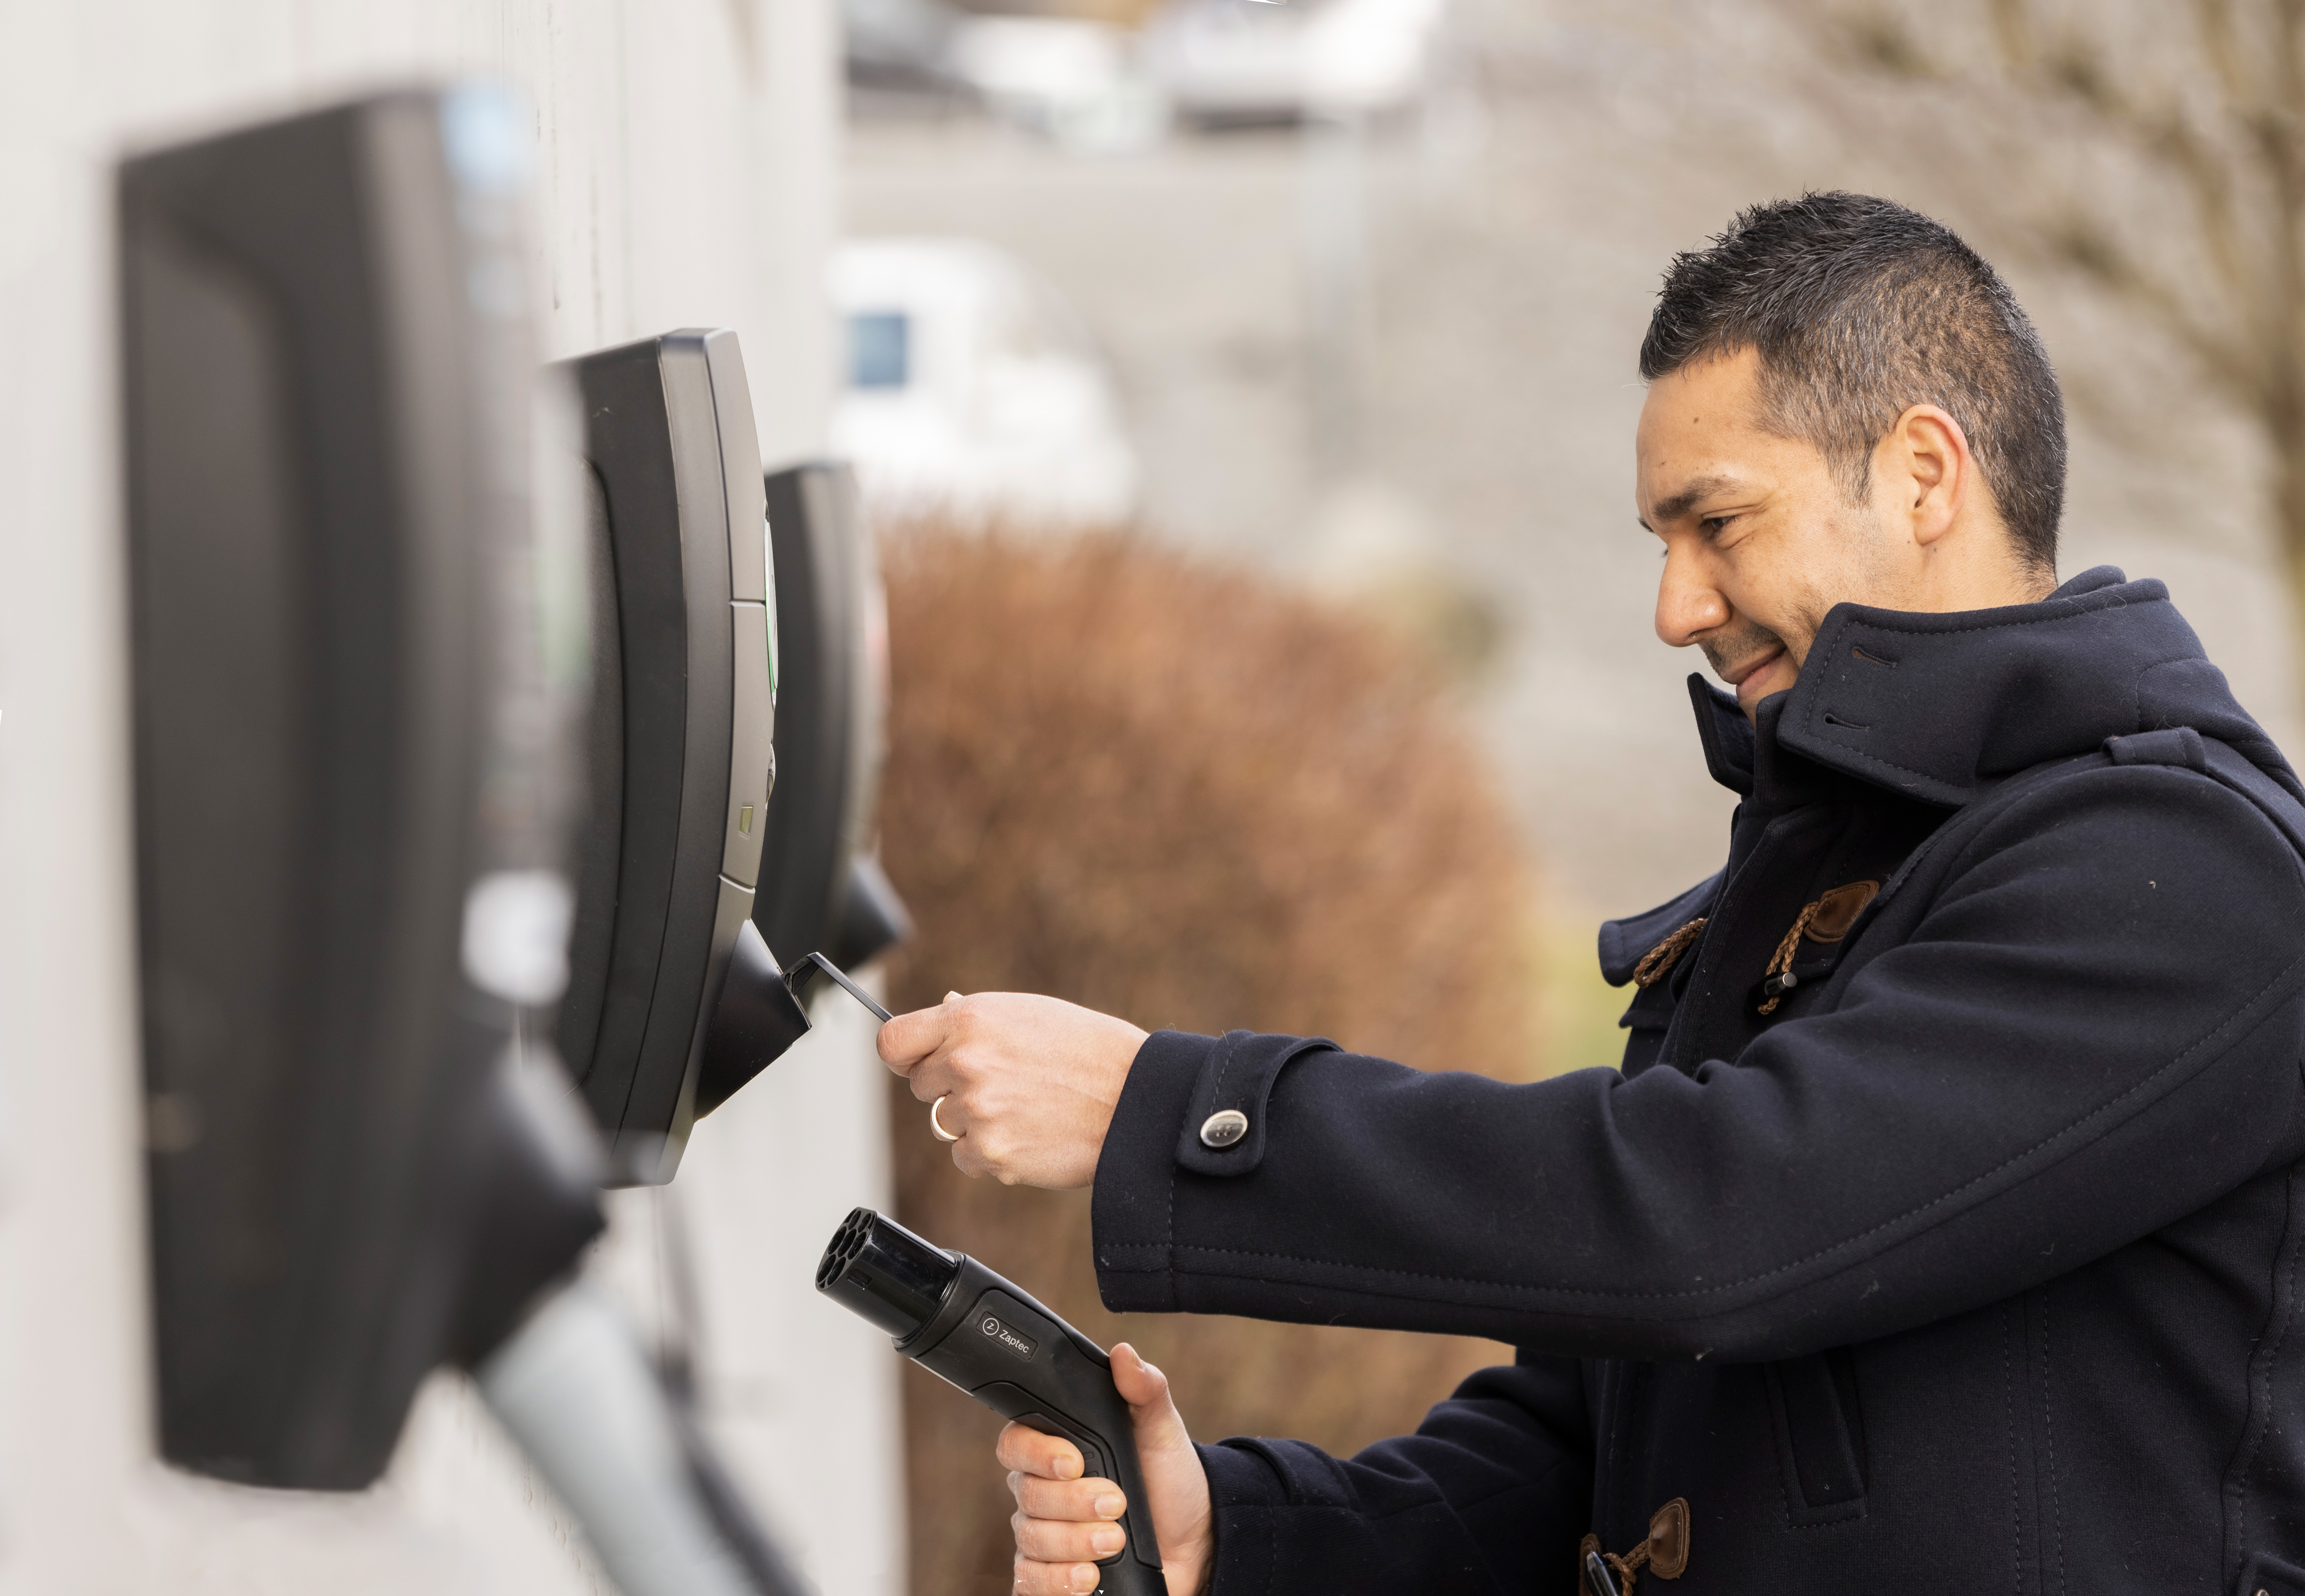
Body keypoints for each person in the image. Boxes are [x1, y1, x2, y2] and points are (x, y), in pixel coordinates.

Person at [875, 192, 2305, 1596]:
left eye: (1718, 523)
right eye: (1659, 543)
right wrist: (1233, 1528)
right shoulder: (1805, 886)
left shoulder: (2181, 872)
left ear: (1925, 476)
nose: (1674, 608)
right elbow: (1585, 1450)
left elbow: (1719, 1218)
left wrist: (1172, 1111)